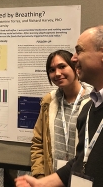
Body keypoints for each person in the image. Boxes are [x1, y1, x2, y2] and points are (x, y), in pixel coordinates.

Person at [15, 25, 103, 187]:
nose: (75, 58)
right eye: (51, 70)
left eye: (80, 50)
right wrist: (41, 181)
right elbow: (82, 158)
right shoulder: (91, 106)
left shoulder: (88, 103)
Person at [31, 50, 92, 178]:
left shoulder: (93, 101)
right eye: (52, 70)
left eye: (62, 66)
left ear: (75, 67)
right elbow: (38, 142)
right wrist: (40, 175)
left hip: (82, 178)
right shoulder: (49, 102)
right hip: (52, 177)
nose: (57, 73)